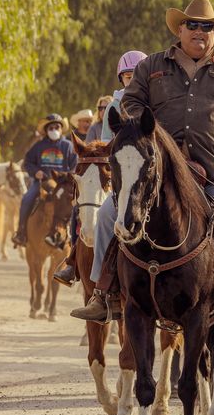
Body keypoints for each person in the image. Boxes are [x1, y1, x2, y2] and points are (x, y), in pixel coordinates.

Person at [70, 0, 214, 330]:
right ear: (180, 29)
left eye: (207, 26)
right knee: (106, 215)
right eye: (193, 25)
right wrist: (140, 131)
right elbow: (131, 101)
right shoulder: (153, 67)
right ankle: (105, 294)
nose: (200, 32)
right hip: (158, 172)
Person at [53, 53, 145, 286]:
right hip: (117, 174)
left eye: (137, 75)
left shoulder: (157, 100)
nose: (132, 79)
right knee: (94, 212)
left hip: (148, 172)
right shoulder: (115, 105)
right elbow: (106, 142)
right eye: (127, 75)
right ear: (120, 78)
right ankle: (84, 269)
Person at [12, 114, 78, 247]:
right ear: (47, 130)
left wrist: (68, 176)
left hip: (63, 185)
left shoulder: (68, 146)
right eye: (51, 127)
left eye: (57, 127)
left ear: (61, 129)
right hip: (42, 182)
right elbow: (28, 162)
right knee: (27, 199)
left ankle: (76, 236)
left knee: (79, 204)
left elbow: (75, 165)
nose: (54, 130)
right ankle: (21, 232)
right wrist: (36, 171)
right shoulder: (39, 146)